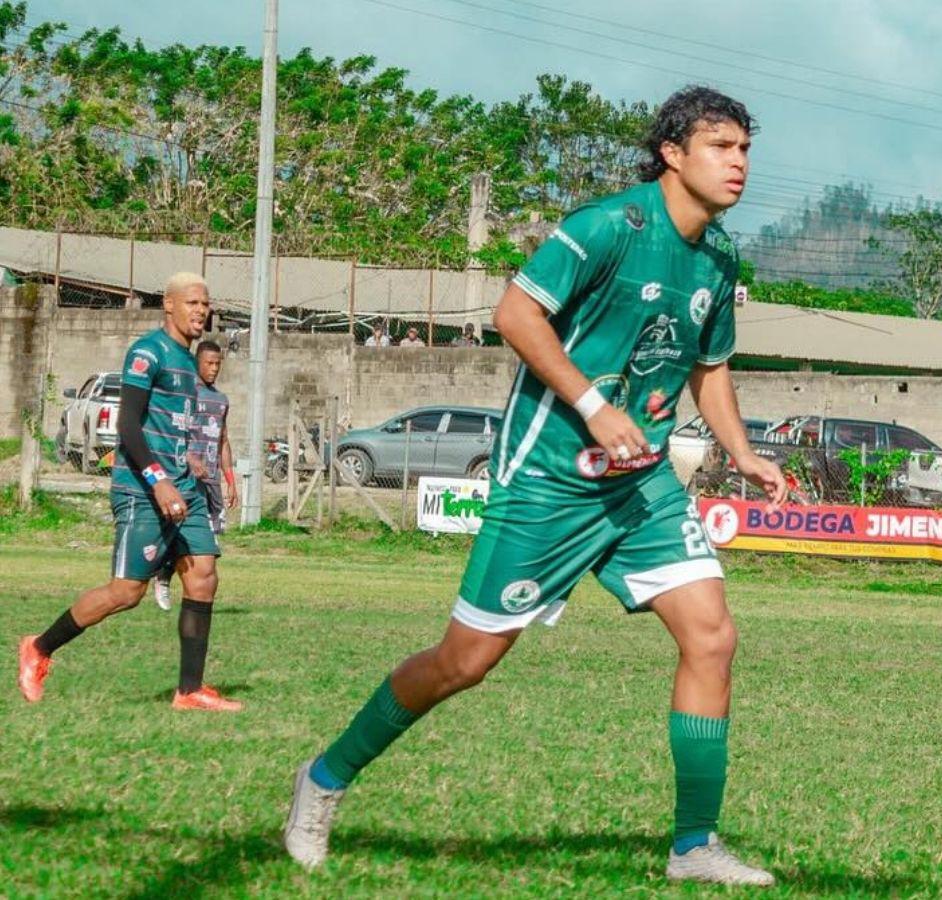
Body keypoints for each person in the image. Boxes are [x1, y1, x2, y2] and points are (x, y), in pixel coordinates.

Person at [283, 86, 784, 886]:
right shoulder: (606, 229)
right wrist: (591, 406)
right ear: (672, 152)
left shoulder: (719, 258)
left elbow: (709, 369)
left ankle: (693, 846)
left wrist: (743, 450)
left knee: (712, 636)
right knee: (466, 661)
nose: (739, 164)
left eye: (746, 150)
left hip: (641, 484)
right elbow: (514, 314)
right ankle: (325, 778)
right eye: (722, 147)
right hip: (549, 479)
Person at [18, 272, 242, 712]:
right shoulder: (147, 353)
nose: (201, 311)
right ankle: (39, 647)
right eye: (193, 302)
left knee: (203, 576)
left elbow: (172, 427)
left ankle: (189, 690)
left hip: (185, 488)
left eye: (206, 303)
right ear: (170, 305)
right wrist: (158, 480)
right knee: (126, 593)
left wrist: (191, 465)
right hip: (143, 489)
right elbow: (128, 425)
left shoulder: (187, 362)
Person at [154, 340, 238, 612]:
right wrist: (190, 460)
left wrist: (230, 479)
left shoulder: (221, 400)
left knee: (209, 544)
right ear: (197, 363)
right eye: (209, 363)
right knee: (180, 533)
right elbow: (173, 434)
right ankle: (164, 575)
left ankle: (197, 598)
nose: (214, 369)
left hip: (211, 483)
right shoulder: (186, 395)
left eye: (218, 364)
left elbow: (223, 440)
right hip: (186, 480)